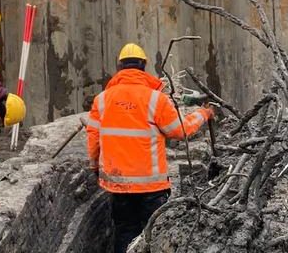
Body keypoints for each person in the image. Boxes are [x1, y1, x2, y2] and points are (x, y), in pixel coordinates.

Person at [86, 43, 214, 253]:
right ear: (144, 66)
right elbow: (179, 131)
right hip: (151, 187)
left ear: (119, 67)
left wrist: (94, 166)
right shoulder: (156, 99)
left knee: (125, 233)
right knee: (154, 236)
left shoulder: (102, 100)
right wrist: (203, 114)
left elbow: (93, 138)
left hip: (119, 185)